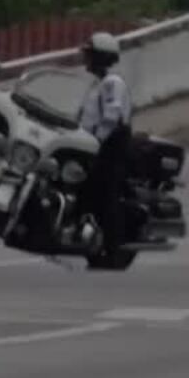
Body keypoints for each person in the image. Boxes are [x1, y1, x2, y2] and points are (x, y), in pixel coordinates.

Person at [76, 32, 133, 253]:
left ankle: (113, 246)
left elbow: (112, 115)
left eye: (90, 55)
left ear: (101, 57)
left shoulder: (112, 82)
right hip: (94, 141)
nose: (85, 60)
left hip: (111, 144)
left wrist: (96, 141)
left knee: (105, 190)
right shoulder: (96, 84)